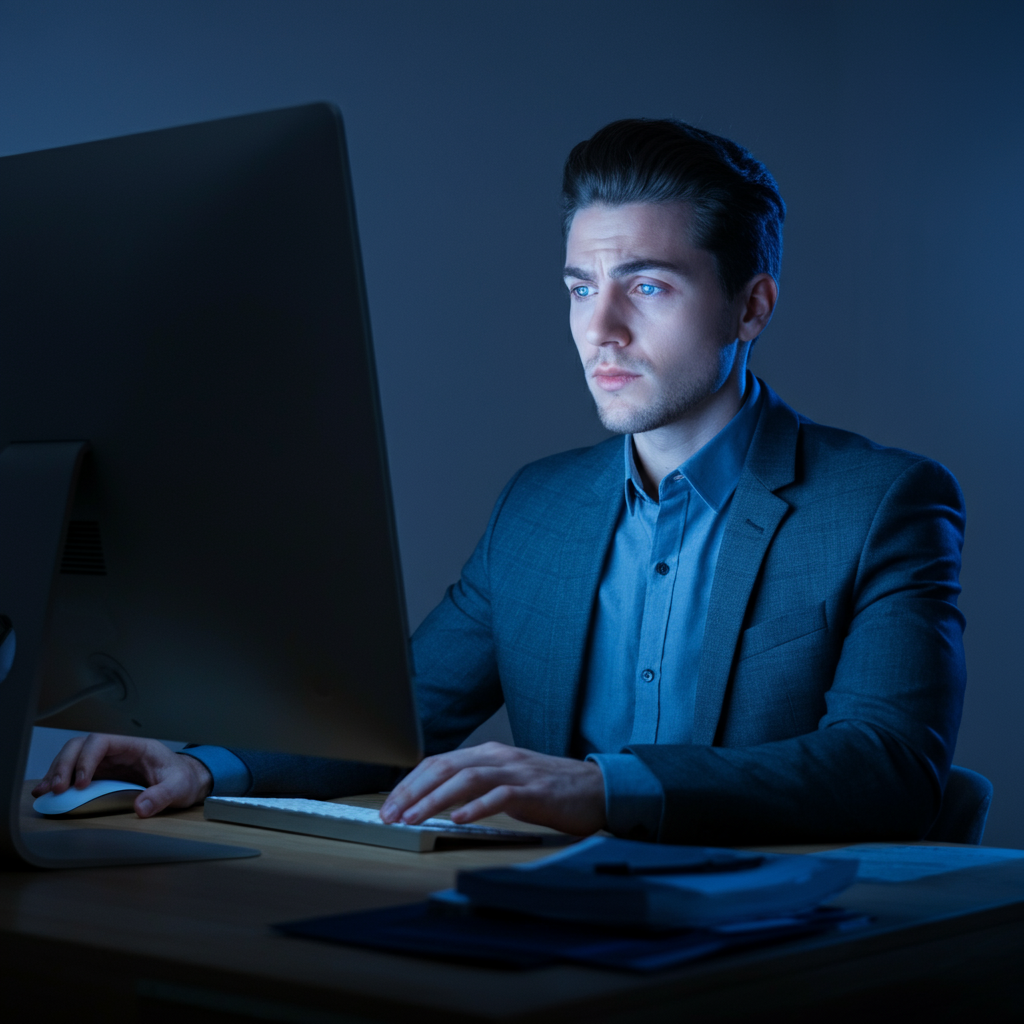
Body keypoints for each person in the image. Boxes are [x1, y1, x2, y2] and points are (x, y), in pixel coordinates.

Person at [33, 119, 966, 844]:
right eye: (576, 286)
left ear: (751, 304)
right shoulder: (539, 505)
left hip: (786, 940)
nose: (598, 328)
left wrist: (601, 786)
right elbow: (400, 718)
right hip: (557, 919)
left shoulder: (882, 501)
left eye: (646, 286)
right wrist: (206, 764)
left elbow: (888, 767)